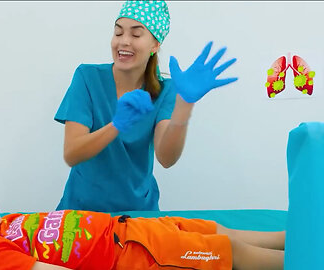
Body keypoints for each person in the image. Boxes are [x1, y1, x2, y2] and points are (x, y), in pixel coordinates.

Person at [53, 0, 238, 212]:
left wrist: (184, 105)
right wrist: (117, 125)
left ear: (155, 45)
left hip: (137, 215)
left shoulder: (165, 90)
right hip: (81, 212)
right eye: (118, 33)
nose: (123, 41)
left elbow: (166, 158)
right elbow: (72, 153)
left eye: (136, 34)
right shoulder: (87, 77)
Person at [0, 179, 285, 270]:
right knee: (227, 253)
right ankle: (298, 260)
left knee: (215, 230)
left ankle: (291, 236)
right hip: (132, 254)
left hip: (130, 226)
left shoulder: (2, 225)